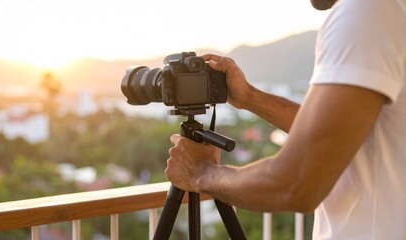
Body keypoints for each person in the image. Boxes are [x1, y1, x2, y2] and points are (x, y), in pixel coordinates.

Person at [165, 0, 406, 239]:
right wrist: (249, 97)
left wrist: (200, 172)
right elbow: (333, 129)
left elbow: (298, 182)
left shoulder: (368, 10)